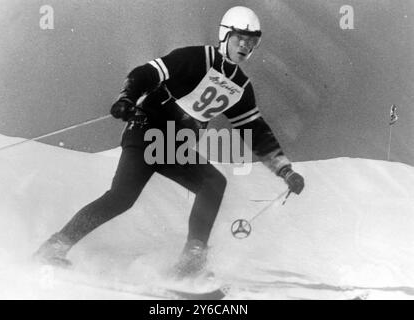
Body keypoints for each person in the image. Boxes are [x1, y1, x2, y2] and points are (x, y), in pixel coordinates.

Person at [33, 6, 305, 278]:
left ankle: (190, 263)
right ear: (224, 36)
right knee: (121, 198)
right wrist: (127, 97)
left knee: (213, 183)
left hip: (174, 147)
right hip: (147, 132)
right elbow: (145, 73)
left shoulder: (241, 87)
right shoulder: (197, 57)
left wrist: (285, 169)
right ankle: (54, 247)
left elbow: (255, 129)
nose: (245, 46)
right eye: (239, 38)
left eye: (252, 41)